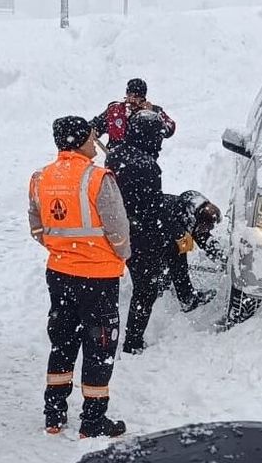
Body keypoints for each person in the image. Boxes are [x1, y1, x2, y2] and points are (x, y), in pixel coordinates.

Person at [28, 116, 130, 438]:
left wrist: (63, 249)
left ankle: (54, 414)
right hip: (98, 278)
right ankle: (93, 420)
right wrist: (119, 254)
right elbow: (119, 231)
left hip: (59, 273)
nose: (94, 142)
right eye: (91, 136)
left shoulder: (40, 178)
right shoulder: (98, 179)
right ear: (81, 140)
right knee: (99, 346)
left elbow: (37, 227)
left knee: (63, 341)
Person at [105, 111, 169, 354]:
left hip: (113, 229)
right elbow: (153, 207)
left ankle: (105, 332)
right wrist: (162, 236)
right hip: (139, 233)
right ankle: (133, 340)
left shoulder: (115, 155)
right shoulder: (149, 166)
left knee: (109, 285)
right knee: (145, 289)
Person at [162, 191, 226, 312]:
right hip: (143, 234)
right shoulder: (173, 221)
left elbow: (200, 235)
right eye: (206, 227)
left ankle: (165, 286)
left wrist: (220, 254)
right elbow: (177, 261)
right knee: (177, 255)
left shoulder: (190, 213)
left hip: (158, 229)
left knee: (178, 250)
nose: (206, 230)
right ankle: (187, 300)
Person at [89, 78, 177, 149]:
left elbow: (170, 129)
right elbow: (95, 125)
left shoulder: (154, 111)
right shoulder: (115, 110)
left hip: (142, 158)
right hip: (114, 156)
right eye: (129, 95)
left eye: (136, 97)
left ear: (143, 98)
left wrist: (153, 115)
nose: (131, 99)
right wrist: (92, 130)